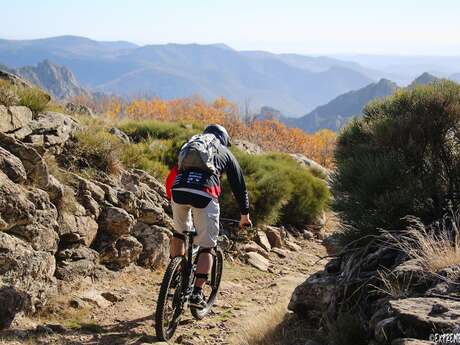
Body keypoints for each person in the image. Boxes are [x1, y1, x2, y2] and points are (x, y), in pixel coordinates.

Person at [165, 124, 251, 309]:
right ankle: (196, 294)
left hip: (178, 190)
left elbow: (172, 175)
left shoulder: (190, 145)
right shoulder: (225, 152)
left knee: (179, 233)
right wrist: (244, 215)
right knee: (207, 245)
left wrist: (172, 197)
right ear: (224, 139)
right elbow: (239, 187)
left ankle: (176, 276)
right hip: (205, 193)